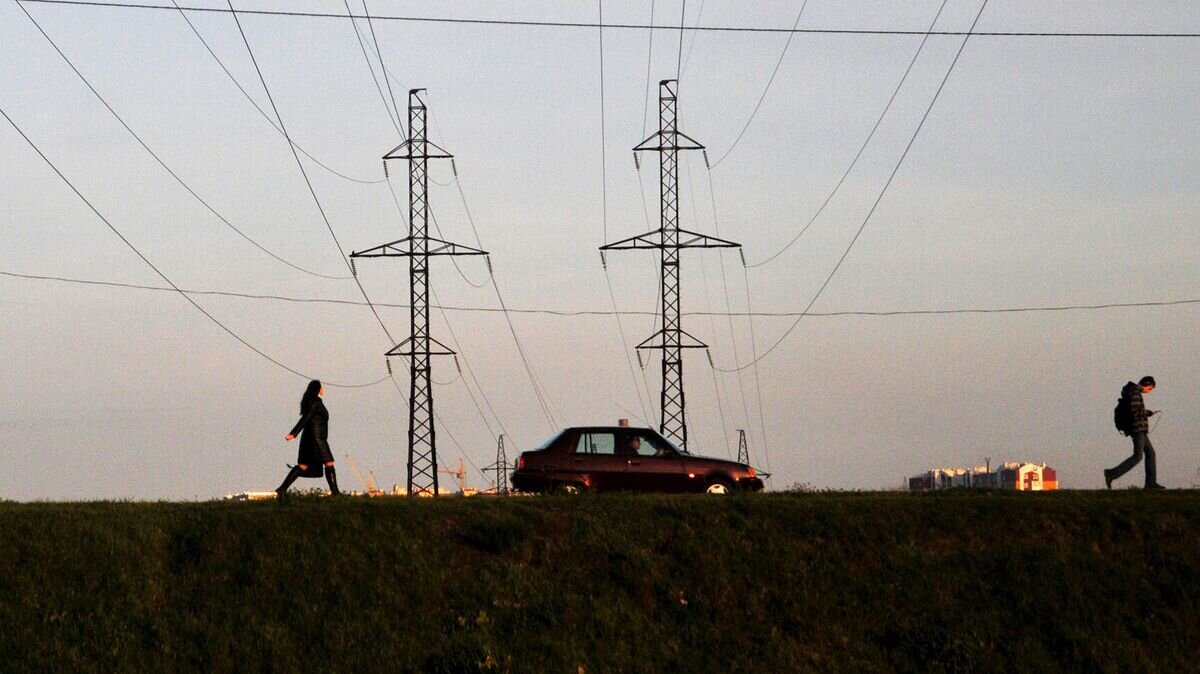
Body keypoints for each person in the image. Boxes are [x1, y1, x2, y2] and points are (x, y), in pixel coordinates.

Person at [276, 380, 341, 497]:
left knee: (304, 465)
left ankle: (282, 489)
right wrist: (293, 433)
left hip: (314, 439)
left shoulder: (315, 402)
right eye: (321, 387)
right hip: (317, 440)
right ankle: (335, 492)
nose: (323, 389)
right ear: (318, 389)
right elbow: (306, 418)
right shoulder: (315, 403)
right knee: (329, 463)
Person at [1104, 375, 1164, 490]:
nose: (1149, 391)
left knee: (1151, 454)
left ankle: (1151, 483)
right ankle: (1111, 474)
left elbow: (1135, 410)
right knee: (1138, 456)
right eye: (1150, 388)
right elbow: (1135, 412)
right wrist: (1147, 413)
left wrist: (1147, 413)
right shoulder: (1135, 393)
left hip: (1138, 428)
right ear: (1146, 384)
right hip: (1137, 428)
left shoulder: (1131, 392)